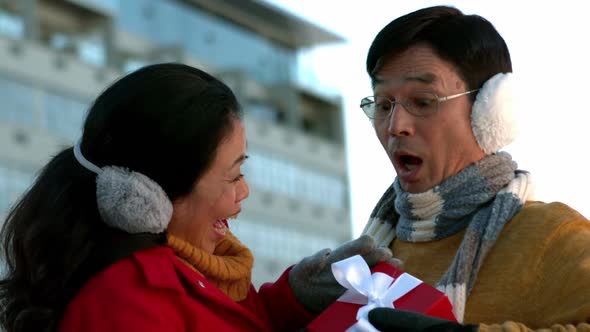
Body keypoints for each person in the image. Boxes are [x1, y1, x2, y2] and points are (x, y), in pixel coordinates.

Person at [0, 63, 393, 332]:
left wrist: (293, 298)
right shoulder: (123, 304)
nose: (244, 192)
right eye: (232, 175)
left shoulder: (186, 272)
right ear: (148, 197)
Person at [355, 5, 590, 331]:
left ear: (489, 111)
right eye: (383, 105)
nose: (395, 126)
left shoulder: (553, 234)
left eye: (423, 101)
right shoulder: (360, 259)